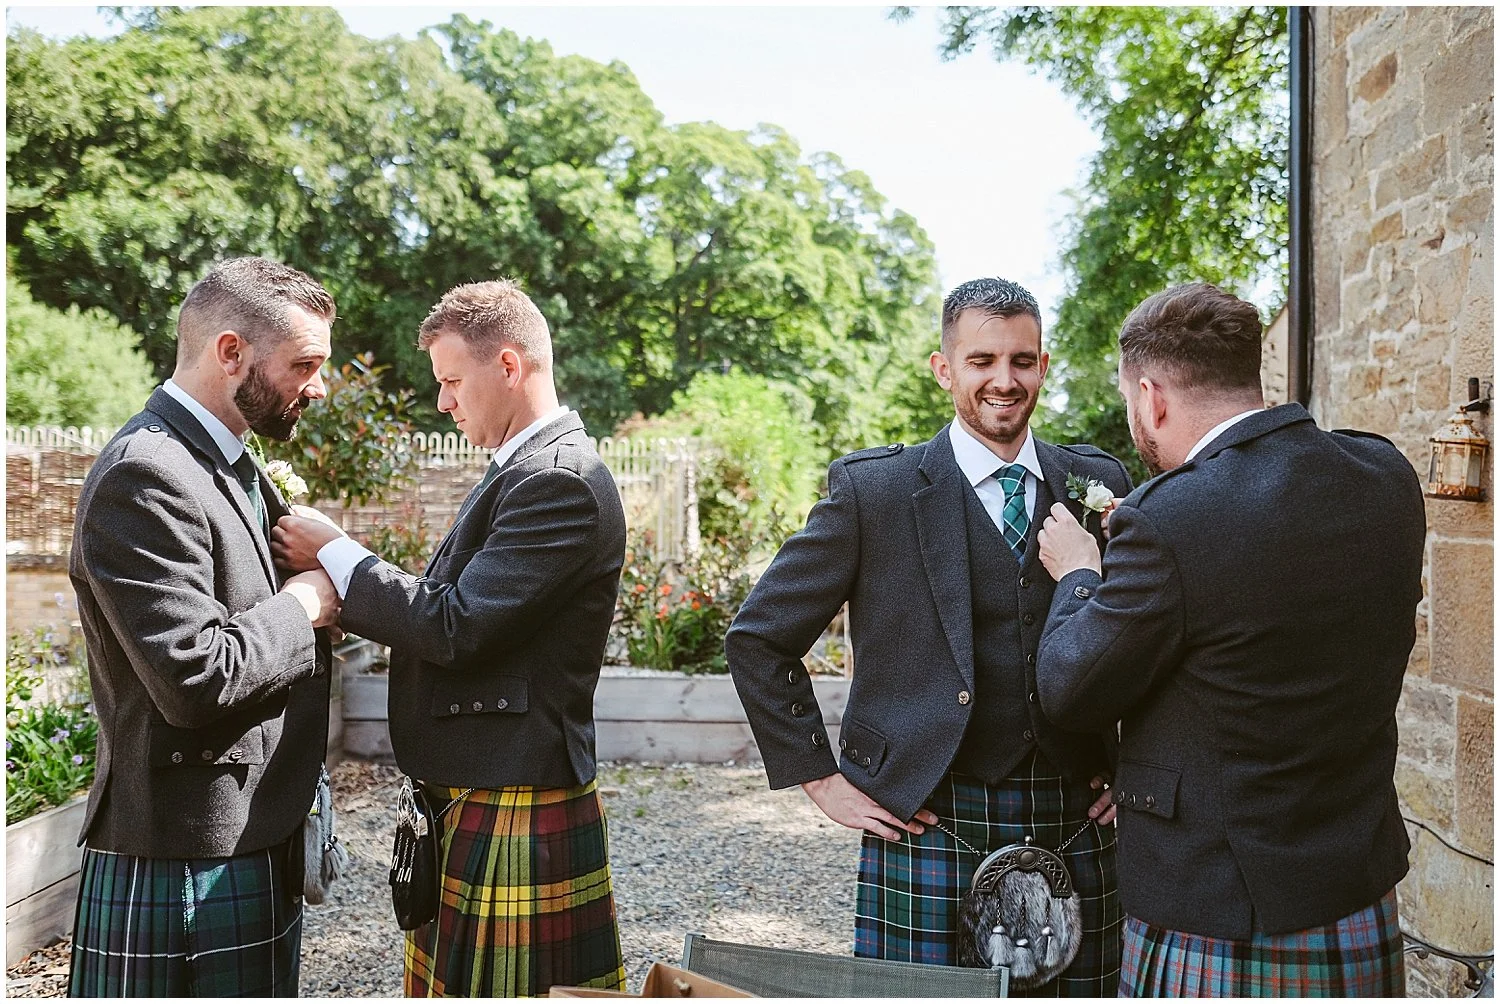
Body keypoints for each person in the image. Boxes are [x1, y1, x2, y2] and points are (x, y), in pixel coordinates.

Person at [725, 277, 1132, 995]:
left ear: (1043, 365)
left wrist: (1136, 767)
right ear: (944, 369)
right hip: (928, 814)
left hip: (1072, 809)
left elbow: (1143, 639)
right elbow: (759, 637)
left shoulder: (1094, 481)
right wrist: (818, 777)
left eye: (1022, 360)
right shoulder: (874, 492)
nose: (1004, 380)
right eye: (981, 361)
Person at [1034, 282, 1423, 997]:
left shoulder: (1167, 518)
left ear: (1151, 397)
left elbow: (1070, 688)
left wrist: (1081, 575)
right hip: (1357, 893)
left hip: (1221, 912)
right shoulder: (1384, 475)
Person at [272, 279, 628, 997]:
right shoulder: (522, 470)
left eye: (452, 381)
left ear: (509, 366)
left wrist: (338, 554)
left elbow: (456, 625)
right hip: (481, 786)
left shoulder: (560, 480)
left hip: (511, 789)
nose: (443, 402)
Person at [66, 258, 341, 997]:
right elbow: (194, 675)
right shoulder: (146, 473)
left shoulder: (225, 462)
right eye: (304, 364)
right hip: (184, 851)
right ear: (230, 353)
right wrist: (307, 605)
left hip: (248, 834)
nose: (319, 386)